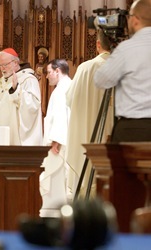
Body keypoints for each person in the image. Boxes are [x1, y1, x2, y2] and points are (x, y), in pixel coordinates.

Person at [65, 29, 114, 200]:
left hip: (87, 136)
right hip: (114, 138)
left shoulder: (85, 68)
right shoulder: (125, 69)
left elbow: (70, 99)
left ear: (98, 44)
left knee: (87, 180)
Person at [94, 0, 151, 142]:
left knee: (124, 165)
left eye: (130, 16)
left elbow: (101, 80)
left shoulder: (127, 48)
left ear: (136, 19)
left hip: (132, 129)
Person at [0, 48, 43, 145]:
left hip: (16, 138)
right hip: (0, 136)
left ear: (15, 62)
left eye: (5, 64)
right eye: (0, 65)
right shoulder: (1, 81)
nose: (2, 68)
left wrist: (16, 90)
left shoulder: (28, 79)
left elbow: (33, 106)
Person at [39, 59, 71, 218]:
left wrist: (55, 141)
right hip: (63, 140)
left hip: (59, 142)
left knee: (53, 178)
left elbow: (60, 116)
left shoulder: (61, 90)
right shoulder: (66, 86)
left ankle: (53, 214)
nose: (46, 77)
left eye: (49, 72)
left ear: (58, 71)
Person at [35, 47, 49, 117]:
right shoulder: (37, 65)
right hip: (38, 81)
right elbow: (35, 73)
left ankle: (43, 109)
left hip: (43, 83)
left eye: (42, 57)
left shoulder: (46, 65)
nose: (40, 58)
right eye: (39, 57)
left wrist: (42, 75)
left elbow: (46, 73)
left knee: (42, 95)